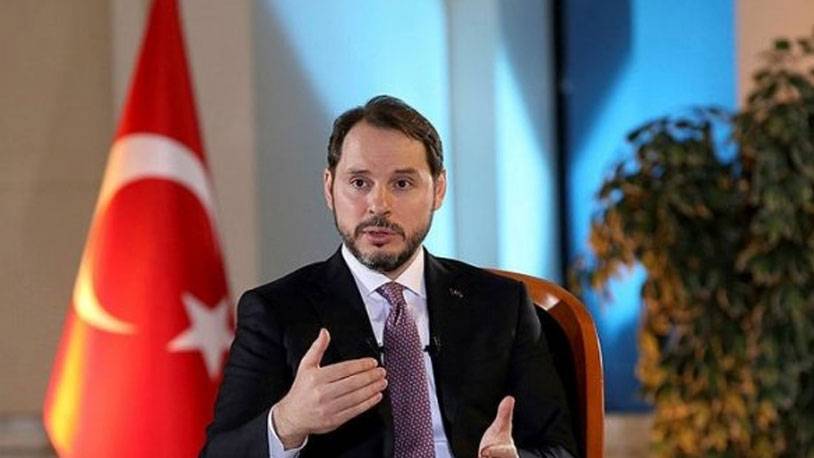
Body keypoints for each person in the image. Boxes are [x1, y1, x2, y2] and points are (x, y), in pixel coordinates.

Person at [201, 96, 577, 458]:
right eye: (359, 183)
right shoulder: (276, 311)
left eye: (402, 184)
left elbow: (559, 449)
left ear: (438, 189)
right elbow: (219, 453)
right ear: (329, 188)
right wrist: (287, 423)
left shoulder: (502, 304)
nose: (379, 205)